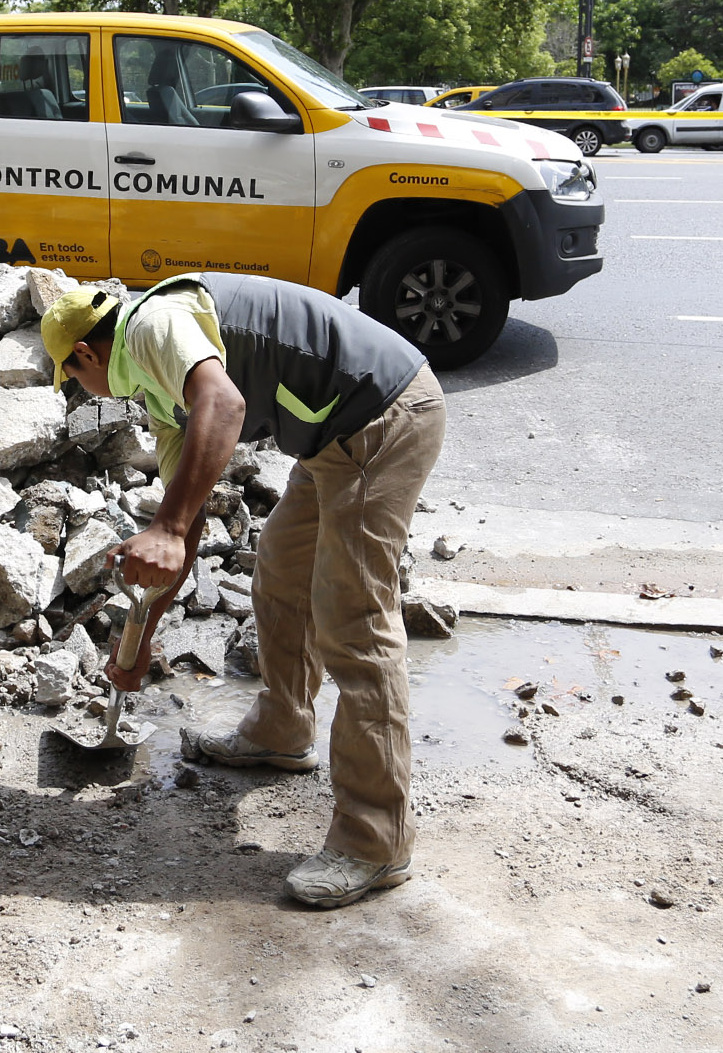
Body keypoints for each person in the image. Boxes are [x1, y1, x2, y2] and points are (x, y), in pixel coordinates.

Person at [41, 274, 446, 909]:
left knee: (354, 621)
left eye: (71, 378)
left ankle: (376, 840)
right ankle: (283, 729)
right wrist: (140, 643)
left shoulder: (151, 325)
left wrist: (168, 528)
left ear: (87, 354)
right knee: (281, 573)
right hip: (335, 439)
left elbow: (223, 406)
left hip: (383, 416)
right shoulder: (159, 382)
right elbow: (187, 516)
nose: (79, 391)